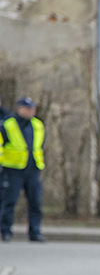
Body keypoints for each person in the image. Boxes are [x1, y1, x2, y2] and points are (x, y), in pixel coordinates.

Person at [0, 97, 47, 242]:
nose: (31, 111)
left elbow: (40, 145)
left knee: (35, 203)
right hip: (12, 169)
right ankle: (6, 231)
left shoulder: (38, 124)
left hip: (32, 169)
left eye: (32, 108)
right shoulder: (8, 124)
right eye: (27, 108)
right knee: (9, 202)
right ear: (19, 108)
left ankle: (35, 232)